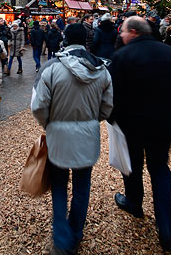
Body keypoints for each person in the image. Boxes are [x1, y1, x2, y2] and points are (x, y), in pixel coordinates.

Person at [108, 16, 171, 252]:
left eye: (122, 31)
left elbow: (113, 94)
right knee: (160, 168)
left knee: (133, 165)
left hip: (132, 124)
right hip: (164, 123)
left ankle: (134, 202)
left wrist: (113, 119)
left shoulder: (122, 56)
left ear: (133, 32)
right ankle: (166, 230)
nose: (120, 35)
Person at [31, 23, 113, 255]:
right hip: (87, 135)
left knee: (58, 185)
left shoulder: (52, 67)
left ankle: (61, 236)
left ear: (65, 38)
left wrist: (49, 123)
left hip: (58, 134)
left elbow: (38, 106)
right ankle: (75, 233)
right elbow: (107, 107)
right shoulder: (102, 69)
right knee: (81, 185)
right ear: (86, 39)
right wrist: (91, 120)